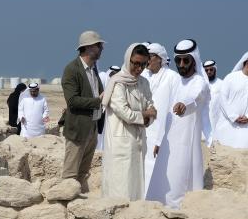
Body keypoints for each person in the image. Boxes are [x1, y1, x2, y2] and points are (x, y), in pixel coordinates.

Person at [145, 39, 210, 209]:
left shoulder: (199, 82)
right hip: (168, 140)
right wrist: (159, 140)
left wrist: (184, 105)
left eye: (185, 60)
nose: (181, 64)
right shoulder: (176, 81)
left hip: (185, 141)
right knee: (161, 178)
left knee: (179, 179)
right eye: (178, 60)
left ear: (194, 60)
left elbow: (195, 98)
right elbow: (167, 112)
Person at [101, 44, 156, 200]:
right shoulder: (117, 82)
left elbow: (151, 106)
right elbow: (125, 112)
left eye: (143, 64)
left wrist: (148, 116)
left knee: (136, 187)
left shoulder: (143, 82)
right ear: (128, 60)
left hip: (138, 141)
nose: (138, 68)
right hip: (121, 143)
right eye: (135, 63)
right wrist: (146, 114)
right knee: (120, 189)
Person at [61, 30, 105, 192]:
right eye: (99, 45)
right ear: (88, 47)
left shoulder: (93, 69)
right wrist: (97, 101)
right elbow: (72, 101)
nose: (102, 48)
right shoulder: (72, 69)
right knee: (70, 174)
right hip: (78, 130)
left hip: (92, 128)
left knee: (83, 173)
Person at [142, 42, 181, 196]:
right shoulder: (143, 76)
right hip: (143, 127)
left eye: (150, 57)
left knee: (155, 165)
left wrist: (161, 139)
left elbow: (173, 109)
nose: (147, 60)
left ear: (159, 58)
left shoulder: (173, 77)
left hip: (161, 130)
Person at [213, 51, 248, 149]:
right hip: (229, 124)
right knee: (224, 148)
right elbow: (223, 100)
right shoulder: (231, 77)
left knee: (245, 148)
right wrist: (233, 117)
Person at [203, 60, 223, 147]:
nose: (209, 72)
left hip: (217, 118)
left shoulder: (222, 84)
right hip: (204, 118)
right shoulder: (201, 84)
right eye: (206, 70)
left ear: (215, 70)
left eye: (211, 70)